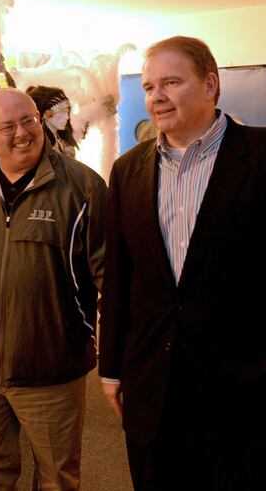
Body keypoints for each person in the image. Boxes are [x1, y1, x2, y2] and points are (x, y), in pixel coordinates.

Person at [99, 36, 266, 490]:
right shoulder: (128, 171)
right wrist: (111, 366)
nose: (157, 96)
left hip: (242, 389)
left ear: (211, 84)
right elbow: (120, 277)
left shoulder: (260, 156)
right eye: (151, 86)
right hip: (152, 385)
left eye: (171, 82)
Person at [0, 87, 107, 490]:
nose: (22, 133)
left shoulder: (82, 189)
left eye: (28, 120)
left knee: (56, 478)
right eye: (8, 125)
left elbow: (110, 275)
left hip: (50, 367)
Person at [26, 85, 80, 158]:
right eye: (61, 112)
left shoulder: (61, 139)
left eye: (67, 112)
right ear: (46, 114)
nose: (66, 117)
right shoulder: (41, 146)